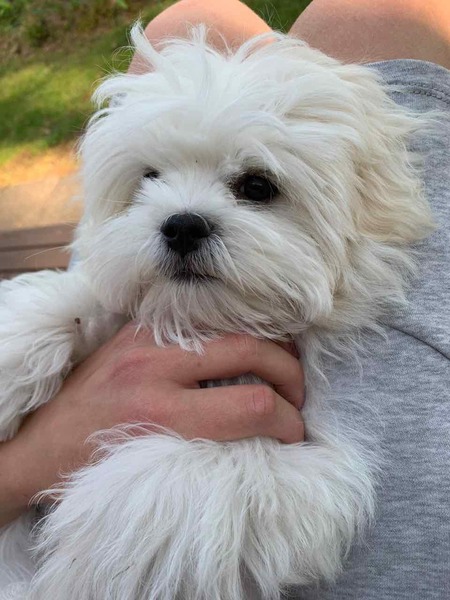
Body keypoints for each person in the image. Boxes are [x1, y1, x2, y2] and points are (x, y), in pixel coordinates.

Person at [1, 0, 449, 597]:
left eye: (255, 188)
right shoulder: (65, 323)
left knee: (197, 18)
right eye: (151, 179)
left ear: (363, 210)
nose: (181, 218)